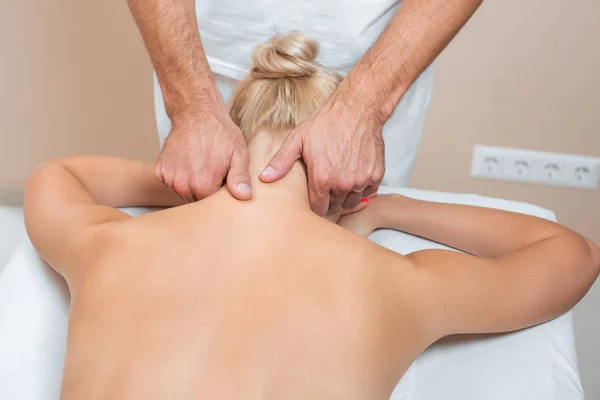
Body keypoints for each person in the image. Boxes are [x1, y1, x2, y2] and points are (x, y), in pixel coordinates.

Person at [24, 33, 599, 399]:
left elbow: (57, 177)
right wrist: (386, 208)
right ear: (345, 175)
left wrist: (204, 186)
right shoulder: (396, 283)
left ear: (235, 134)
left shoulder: (111, 247)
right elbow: (572, 255)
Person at [126, 0, 483, 220]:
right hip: (197, 64)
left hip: (380, 68)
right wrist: (191, 106)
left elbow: (71, 178)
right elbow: (539, 246)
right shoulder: (389, 283)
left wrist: (364, 107)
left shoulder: (128, 251)